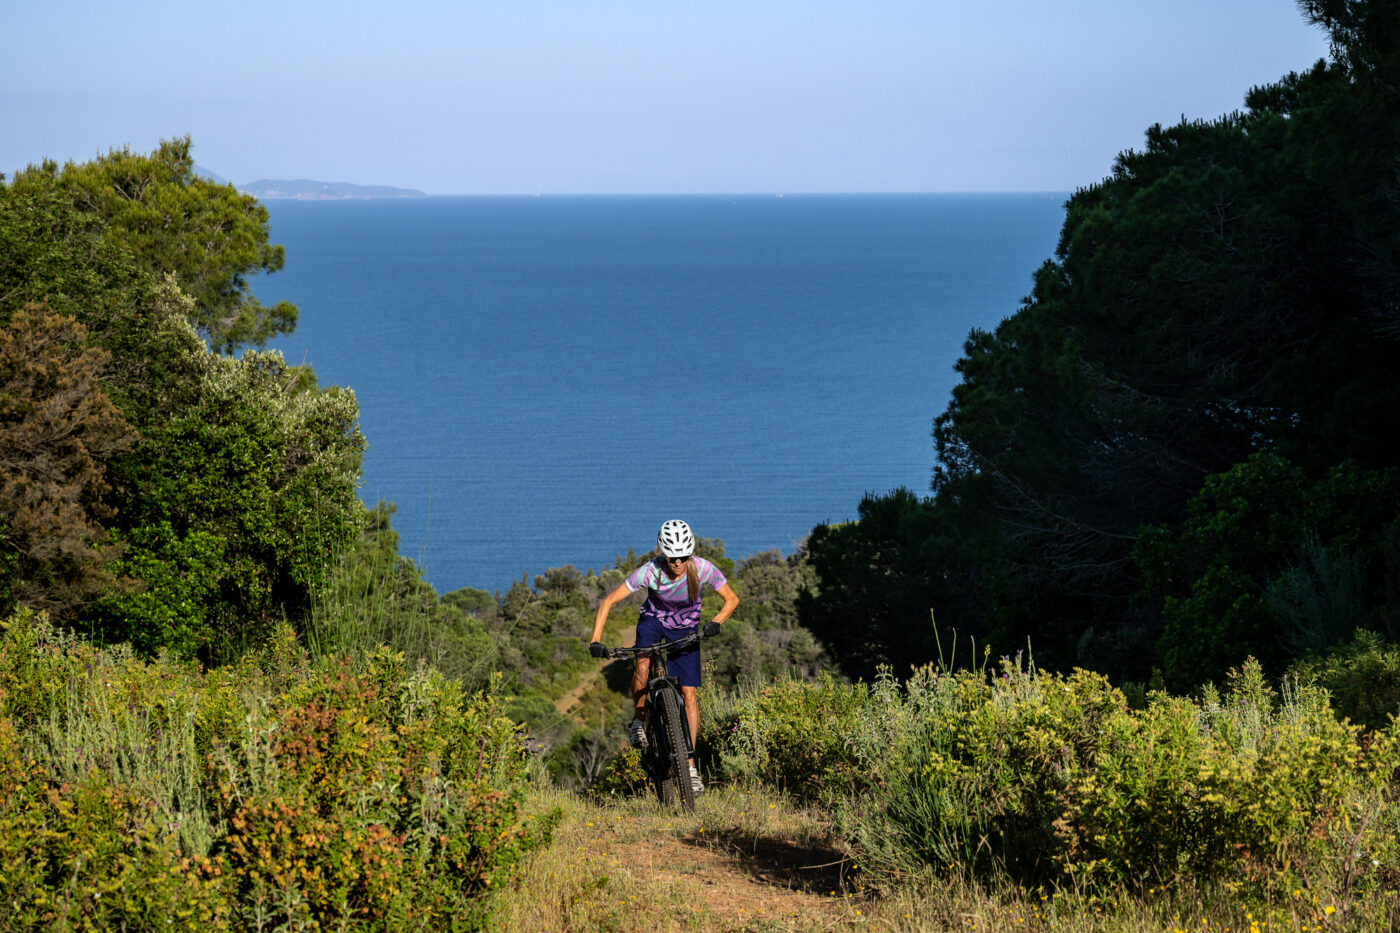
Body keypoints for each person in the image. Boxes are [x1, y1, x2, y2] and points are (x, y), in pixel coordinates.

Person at [588, 519, 739, 795]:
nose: (678, 562)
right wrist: (595, 640)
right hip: (653, 621)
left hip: (686, 628)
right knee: (642, 667)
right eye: (672, 557)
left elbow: (731, 599)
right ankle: (638, 720)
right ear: (664, 554)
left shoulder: (702, 568)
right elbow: (607, 601)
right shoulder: (649, 572)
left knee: (689, 695)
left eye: (683, 556)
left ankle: (691, 767)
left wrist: (716, 622)